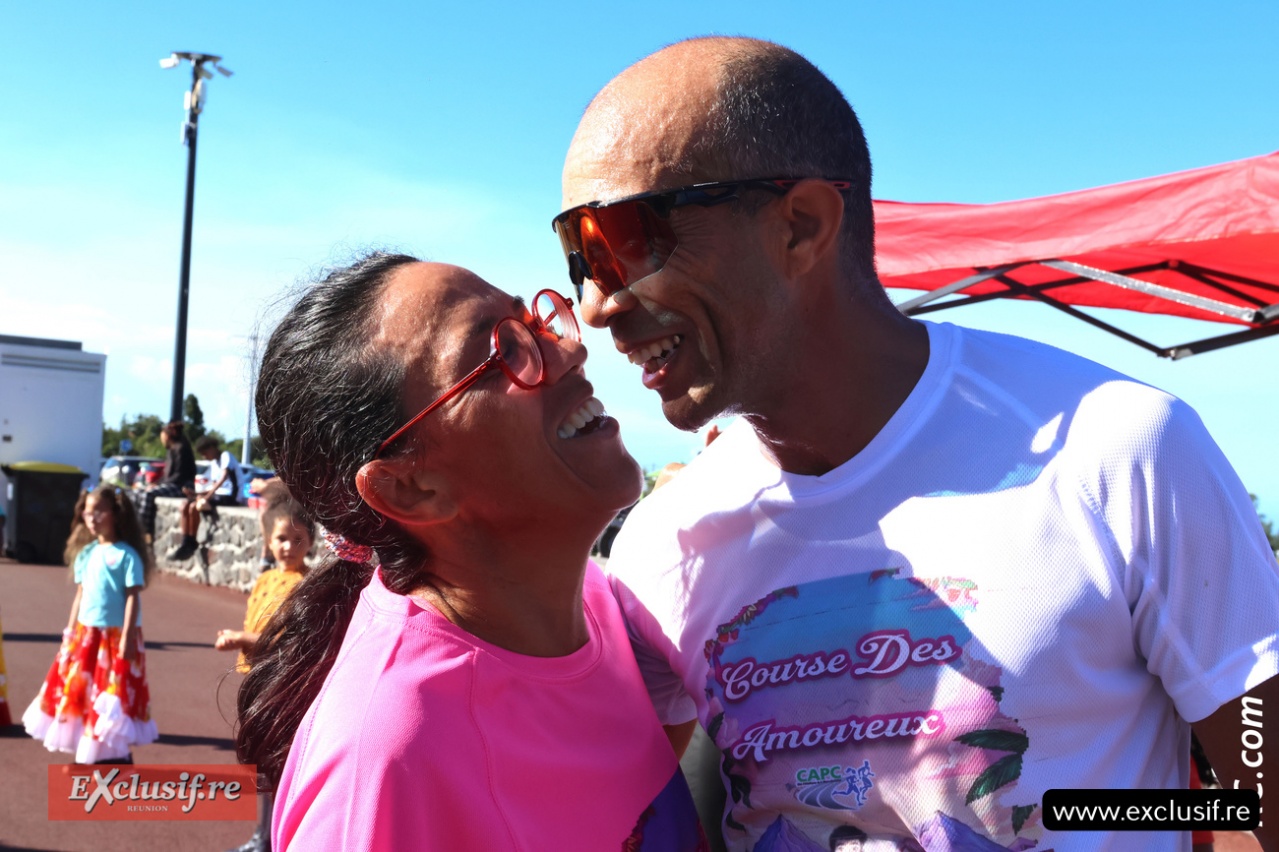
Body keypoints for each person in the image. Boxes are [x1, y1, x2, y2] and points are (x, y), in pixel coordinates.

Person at [556, 37, 1279, 851]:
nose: (596, 304)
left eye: (625, 240)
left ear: (800, 226)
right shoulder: (667, 539)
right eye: (579, 257)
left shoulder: (1121, 448)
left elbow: (1250, 800)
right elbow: (646, 824)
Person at [235, 253, 706, 850]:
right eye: (502, 351)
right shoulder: (387, 760)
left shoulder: (603, 608)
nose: (569, 349)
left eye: (533, 323)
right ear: (409, 488)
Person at [22, 484, 157, 763]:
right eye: (87, 512)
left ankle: (114, 752)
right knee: (82, 689)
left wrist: (127, 637)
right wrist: (70, 632)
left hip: (115, 636)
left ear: (116, 514)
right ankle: (89, 746)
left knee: (112, 691)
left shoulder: (126, 555)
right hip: (87, 633)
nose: (91, 517)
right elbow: (80, 594)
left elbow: (132, 597)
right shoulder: (87, 553)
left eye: (99, 511)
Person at [216, 502, 314, 852]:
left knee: (276, 763)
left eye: (298, 539)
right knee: (263, 762)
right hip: (259, 679)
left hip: (283, 682)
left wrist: (242, 639)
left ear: (310, 541)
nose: (289, 546)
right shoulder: (266, 579)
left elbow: (287, 642)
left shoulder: (305, 585)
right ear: (269, 542)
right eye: (282, 538)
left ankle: (269, 839)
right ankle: (265, 836)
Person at [169, 435, 245, 561]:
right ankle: (186, 540)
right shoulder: (214, 464)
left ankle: (191, 542)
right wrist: (196, 494)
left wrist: (206, 497)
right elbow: (214, 486)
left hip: (230, 496)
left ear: (212, 448)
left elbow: (223, 478)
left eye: (205, 453)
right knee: (185, 505)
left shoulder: (226, 456)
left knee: (194, 506)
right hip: (219, 495)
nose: (204, 457)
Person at [138, 420, 197, 540]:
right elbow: (167, 475)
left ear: (167, 436)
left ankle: (144, 529)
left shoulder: (181, 448)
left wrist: (159, 485)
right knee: (139, 492)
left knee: (149, 494)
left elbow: (178, 476)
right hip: (173, 484)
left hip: (181, 486)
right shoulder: (172, 450)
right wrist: (156, 483)